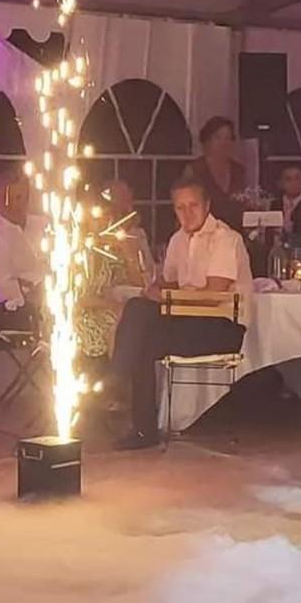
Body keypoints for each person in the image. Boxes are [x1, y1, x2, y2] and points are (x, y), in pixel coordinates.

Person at [109, 180, 252, 450]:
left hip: (221, 326)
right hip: (188, 320)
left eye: (193, 206)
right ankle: (142, 429)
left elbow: (213, 294)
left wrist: (167, 296)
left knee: (140, 318)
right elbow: (167, 283)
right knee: (138, 316)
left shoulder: (225, 239)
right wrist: (156, 291)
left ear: (207, 206)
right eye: (180, 208)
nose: (187, 214)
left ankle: (115, 380)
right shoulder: (178, 240)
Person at [75, 179, 152, 358]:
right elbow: (79, 299)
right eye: (98, 218)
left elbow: (139, 286)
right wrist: (115, 306)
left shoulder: (112, 250)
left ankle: (136, 380)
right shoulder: (76, 252)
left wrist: (128, 252)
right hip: (84, 312)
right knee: (118, 323)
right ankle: (118, 378)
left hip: (116, 307)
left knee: (142, 321)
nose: (104, 222)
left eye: (107, 216)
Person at [0, 168, 45, 333]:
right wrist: (37, 287)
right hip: (15, 313)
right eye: (8, 198)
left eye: (20, 197)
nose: (15, 204)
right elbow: (5, 287)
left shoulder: (44, 225)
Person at [187, 116, 248, 232]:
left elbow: (246, 206)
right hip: (203, 236)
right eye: (218, 137)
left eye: (228, 138)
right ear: (207, 141)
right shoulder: (195, 169)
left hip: (235, 236)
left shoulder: (239, 171)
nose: (224, 143)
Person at [271, 164, 301, 241]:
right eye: (288, 179)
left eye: (297, 178)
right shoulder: (274, 206)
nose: (293, 183)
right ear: (281, 183)